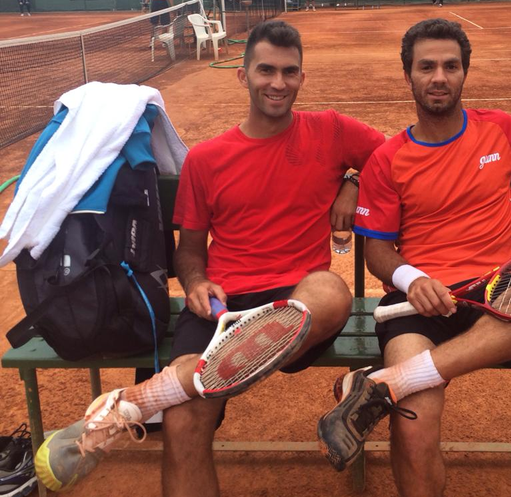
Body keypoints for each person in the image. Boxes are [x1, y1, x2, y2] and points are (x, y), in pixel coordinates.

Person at [34, 20, 386, 496]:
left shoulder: (332, 130)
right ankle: (204, 377)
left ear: (302, 78)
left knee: (330, 289)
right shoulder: (206, 159)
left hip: (296, 301)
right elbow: (191, 253)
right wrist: (196, 283)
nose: (277, 83)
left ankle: (140, 400)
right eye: (265, 70)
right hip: (223, 303)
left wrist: (354, 180)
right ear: (243, 76)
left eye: (289, 72)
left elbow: (391, 157)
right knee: (182, 426)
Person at [317, 18, 511, 497]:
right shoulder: (388, 158)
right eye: (427, 66)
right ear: (409, 75)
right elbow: (377, 252)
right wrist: (412, 278)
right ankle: (401, 383)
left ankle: (387, 384)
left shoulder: (500, 129)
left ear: (464, 73)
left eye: (450, 66)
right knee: (412, 428)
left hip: (500, 294)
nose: (439, 76)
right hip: (419, 308)